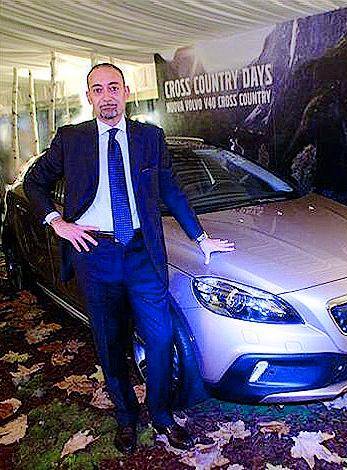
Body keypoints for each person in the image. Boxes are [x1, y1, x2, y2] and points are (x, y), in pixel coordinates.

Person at [23, 63, 235, 454]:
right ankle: (126, 417)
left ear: (126, 92)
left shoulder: (150, 137)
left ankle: (161, 415)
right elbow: (34, 182)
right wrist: (57, 222)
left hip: (142, 252)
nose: (107, 96)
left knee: (161, 336)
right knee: (110, 342)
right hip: (94, 252)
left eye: (113, 87)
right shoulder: (71, 139)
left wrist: (201, 238)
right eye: (98, 89)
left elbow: (170, 190)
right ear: (89, 97)